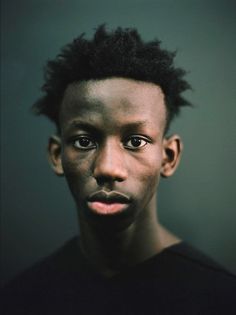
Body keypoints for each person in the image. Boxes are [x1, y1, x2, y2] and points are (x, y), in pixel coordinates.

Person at [1, 25, 236, 315]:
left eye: (135, 141)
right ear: (57, 155)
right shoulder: (19, 300)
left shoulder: (223, 299)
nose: (107, 168)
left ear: (169, 157)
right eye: (84, 141)